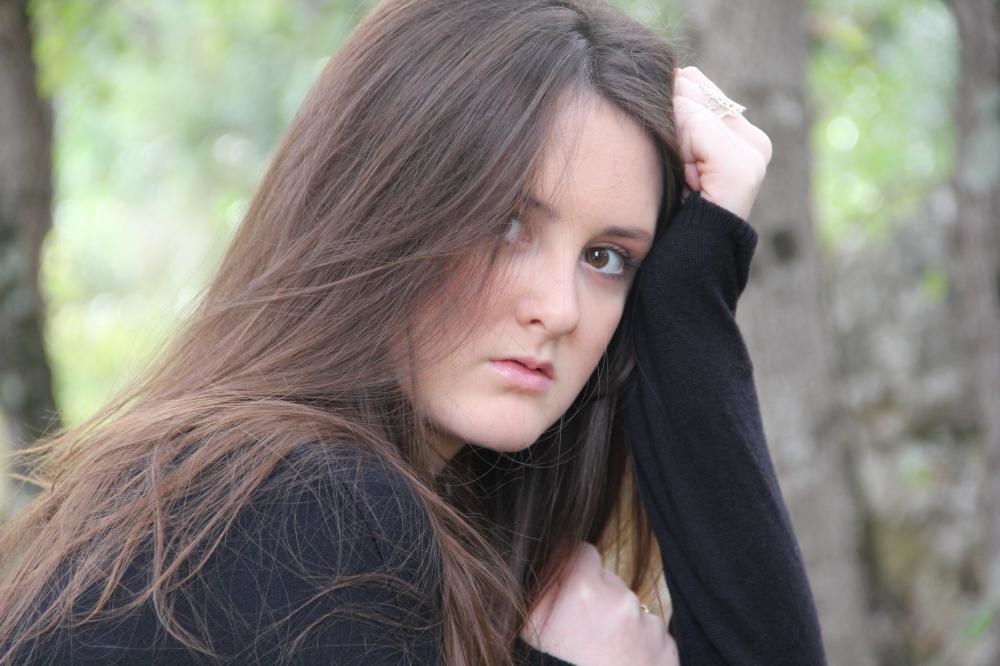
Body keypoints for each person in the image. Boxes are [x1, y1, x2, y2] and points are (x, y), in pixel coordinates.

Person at [0, 0, 826, 664]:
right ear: (385, 206)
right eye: (508, 225)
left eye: (607, 259)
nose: (560, 309)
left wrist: (687, 290)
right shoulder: (307, 511)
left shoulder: (318, 501)